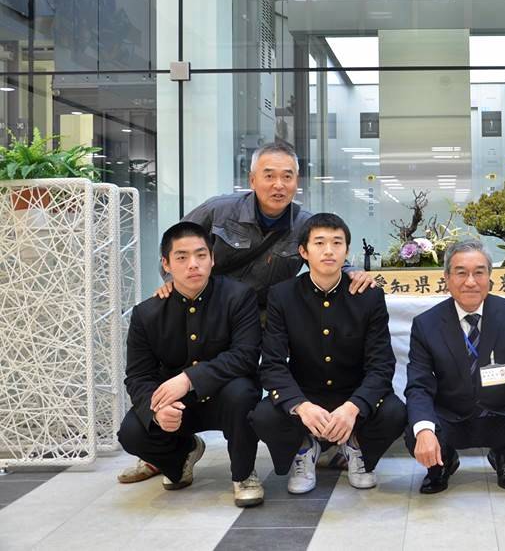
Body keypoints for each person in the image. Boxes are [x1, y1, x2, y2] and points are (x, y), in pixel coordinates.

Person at [118, 141, 373, 484]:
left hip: (261, 318)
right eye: (269, 175)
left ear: (297, 182)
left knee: (257, 385)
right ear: (252, 180)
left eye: (287, 176)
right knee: (176, 372)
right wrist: (172, 285)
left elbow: (327, 252)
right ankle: (167, 448)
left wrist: (355, 273)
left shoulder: (304, 223)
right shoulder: (218, 210)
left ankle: (318, 440)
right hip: (207, 310)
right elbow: (180, 243)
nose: (278, 185)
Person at [251, 213, 406, 493]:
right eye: (319, 243)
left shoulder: (368, 296)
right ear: (303, 251)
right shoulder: (283, 295)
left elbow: (381, 364)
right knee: (263, 415)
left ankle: (356, 445)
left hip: (352, 392)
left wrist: (353, 407)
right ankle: (304, 448)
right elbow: (272, 364)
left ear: (347, 251)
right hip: (306, 392)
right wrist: (301, 406)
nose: (329, 250)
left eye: (337, 243)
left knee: (394, 412)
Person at [117, 222, 264, 507]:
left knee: (243, 393)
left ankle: (244, 474)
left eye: (201, 255)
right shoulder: (146, 314)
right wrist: (156, 411)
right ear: (166, 264)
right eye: (182, 257)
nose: (193, 264)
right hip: (178, 406)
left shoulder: (238, 297)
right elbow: (137, 376)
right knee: (132, 433)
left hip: (225, 398)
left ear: (212, 259)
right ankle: (183, 454)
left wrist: (188, 379)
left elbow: (245, 355)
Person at [404, 240, 505, 494]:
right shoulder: (426, 324)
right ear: (446, 278)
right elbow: (419, 385)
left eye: (479, 272)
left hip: (502, 415)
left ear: (490, 276)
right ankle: (443, 463)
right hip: (452, 416)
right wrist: (424, 430)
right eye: (461, 273)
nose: (470, 282)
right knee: (416, 431)